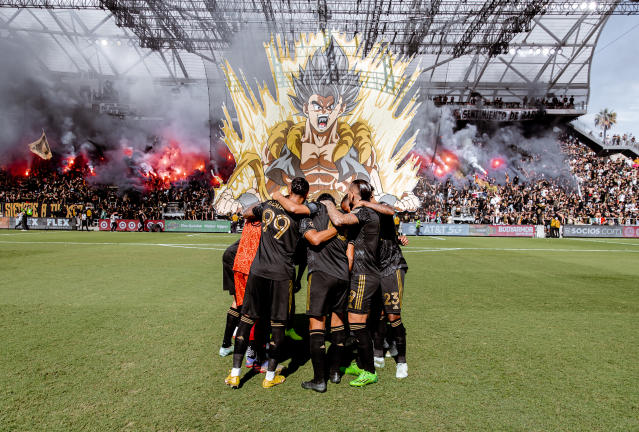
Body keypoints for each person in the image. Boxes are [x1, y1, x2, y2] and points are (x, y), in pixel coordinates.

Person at [225, 177, 317, 389]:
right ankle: (269, 378)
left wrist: (272, 198)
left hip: (258, 271)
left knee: (247, 319)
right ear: (306, 193)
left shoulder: (269, 205)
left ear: (289, 189)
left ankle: (235, 374)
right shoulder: (303, 212)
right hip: (282, 274)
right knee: (278, 324)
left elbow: (248, 213)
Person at [273, 191, 350, 393]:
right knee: (338, 323)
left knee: (316, 325)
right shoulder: (343, 219)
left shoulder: (310, 216)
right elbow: (350, 254)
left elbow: (314, 240)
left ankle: (319, 379)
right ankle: (334, 372)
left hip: (320, 276)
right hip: (343, 276)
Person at [321, 179, 381, 387]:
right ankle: (362, 363)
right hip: (363, 273)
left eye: (348, 192)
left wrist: (328, 204)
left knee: (357, 324)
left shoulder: (363, 212)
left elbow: (338, 220)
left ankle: (369, 371)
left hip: (363, 274)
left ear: (353, 195)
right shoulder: (367, 213)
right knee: (358, 323)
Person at [360, 199, 409, 378]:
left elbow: (389, 211)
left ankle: (402, 362)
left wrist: (365, 203)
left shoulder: (385, 214)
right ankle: (378, 352)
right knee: (378, 313)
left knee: (393, 314)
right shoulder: (367, 219)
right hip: (375, 270)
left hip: (392, 267)